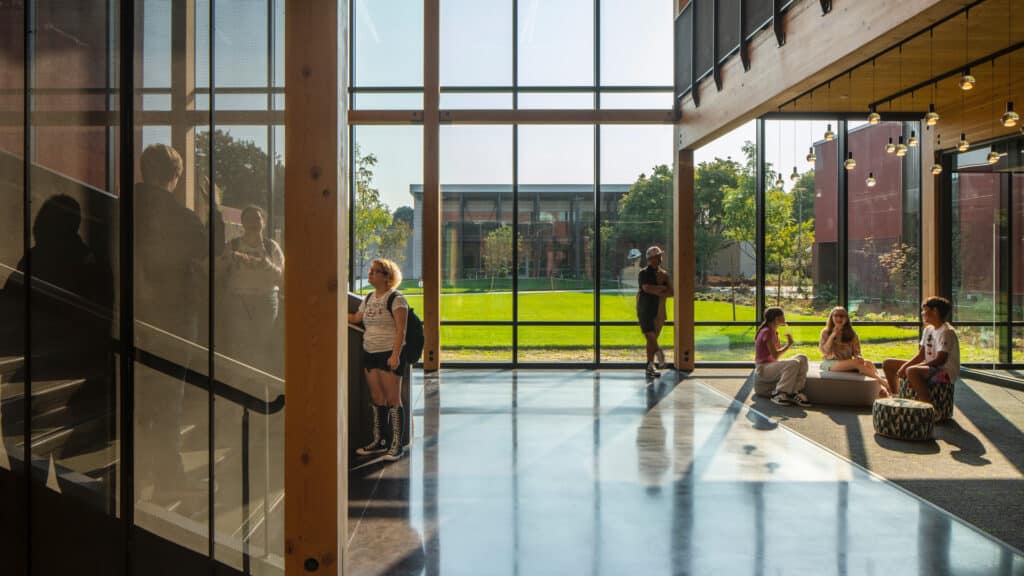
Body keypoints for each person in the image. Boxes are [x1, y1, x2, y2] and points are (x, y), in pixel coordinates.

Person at [134, 143, 220, 502]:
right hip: (173, 320)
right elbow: (209, 249)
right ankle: (169, 477)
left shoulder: (126, 209)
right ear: (175, 175)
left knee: (144, 399)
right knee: (170, 399)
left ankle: (141, 472)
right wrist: (213, 206)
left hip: (137, 318)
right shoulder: (178, 217)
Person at [348, 258, 408, 461]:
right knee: (376, 399)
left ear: (387, 277)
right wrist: (333, 310)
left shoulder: (396, 299)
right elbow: (357, 319)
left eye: (375, 271)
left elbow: (401, 330)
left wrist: (395, 354)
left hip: (388, 354)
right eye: (370, 271)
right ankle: (379, 440)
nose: (370, 274)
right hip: (370, 353)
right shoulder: (369, 297)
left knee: (392, 400)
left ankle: (396, 445)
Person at [222, 205, 284, 373]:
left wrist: (266, 265)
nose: (253, 223)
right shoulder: (232, 246)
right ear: (242, 223)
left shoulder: (272, 248)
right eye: (248, 219)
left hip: (266, 301)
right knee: (240, 345)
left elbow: (282, 278)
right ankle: (240, 389)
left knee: (261, 345)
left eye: (257, 218)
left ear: (263, 222)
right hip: (239, 301)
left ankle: (259, 392)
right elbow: (221, 270)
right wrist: (230, 260)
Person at [882, 296, 960, 402]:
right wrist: (905, 366)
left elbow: (940, 360)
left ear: (935, 311)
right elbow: (921, 355)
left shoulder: (947, 332)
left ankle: (928, 407)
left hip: (945, 372)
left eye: (925, 309)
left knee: (912, 371)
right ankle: (896, 396)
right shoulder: (928, 329)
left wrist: (913, 367)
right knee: (888, 363)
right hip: (930, 366)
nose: (922, 313)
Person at [818, 306, 889, 396]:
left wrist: (859, 357)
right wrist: (833, 335)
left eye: (842, 316)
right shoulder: (826, 332)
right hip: (829, 363)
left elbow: (857, 352)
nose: (838, 318)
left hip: (846, 362)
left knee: (868, 363)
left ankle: (882, 391)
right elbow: (825, 351)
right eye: (836, 315)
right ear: (831, 318)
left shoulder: (852, 334)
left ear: (846, 319)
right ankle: (884, 383)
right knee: (856, 363)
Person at [754, 307, 811, 407]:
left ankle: (794, 392)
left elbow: (777, 352)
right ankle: (779, 393)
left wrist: (787, 344)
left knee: (802, 357)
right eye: (783, 316)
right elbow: (775, 354)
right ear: (777, 318)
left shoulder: (774, 332)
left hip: (772, 364)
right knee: (793, 363)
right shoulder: (767, 331)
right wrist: (789, 345)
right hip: (763, 368)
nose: (785, 318)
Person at [637, 246, 673, 378]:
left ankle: (650, 365)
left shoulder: (664, 274)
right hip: (644, 309)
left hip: (659, 310)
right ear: (650, 259)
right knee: (649, 335)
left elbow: (671, 292)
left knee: (652, 339)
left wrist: (657, 289)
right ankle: (659, 354)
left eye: (660, 256)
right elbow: (646, 288)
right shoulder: (643, 273)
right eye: (657, 256)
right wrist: (661, 288)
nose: (660, 258)